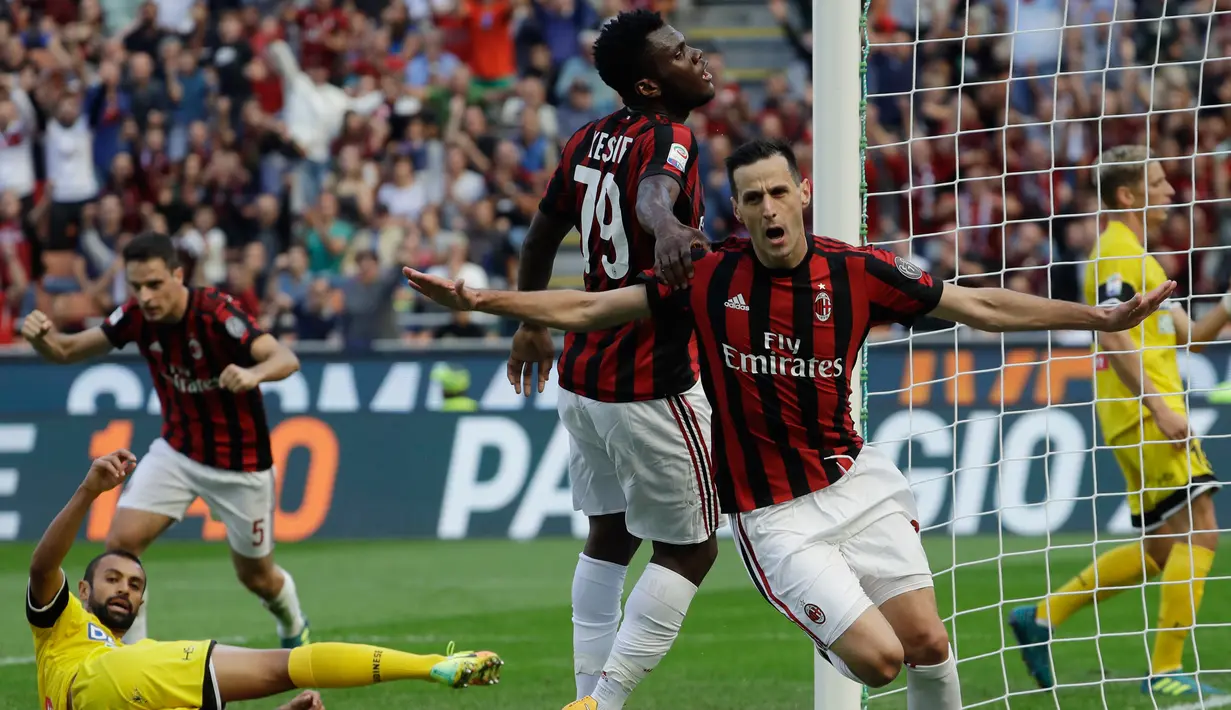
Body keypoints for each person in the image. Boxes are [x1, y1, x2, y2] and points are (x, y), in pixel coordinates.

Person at [403, 138, 1174, 709]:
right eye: (750, 198)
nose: (767, 208)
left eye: (777, 191)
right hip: (775, 517)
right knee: (879, 664)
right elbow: (588, 307)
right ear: (736, 210)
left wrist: (1094, 317)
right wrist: (482, 303)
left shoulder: (860, 272)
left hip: (856, 483)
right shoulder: (709, 278)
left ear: (802, 192)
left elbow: (980, 305)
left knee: (932, 646)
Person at [505, 9, 716, 709]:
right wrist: (666, 227)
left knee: (610, 536)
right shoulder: (671, 136)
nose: (700, 58)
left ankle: (581, 696)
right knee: (691, 549)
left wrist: (530, 324)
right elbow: (659, 190)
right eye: (682, 53)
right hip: (648, 379)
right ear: (652, 86)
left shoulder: (587, 140)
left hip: (582, 374)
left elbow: (538, 241)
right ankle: (605, 702)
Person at [27, 449, 503, 710]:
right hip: (99, 681)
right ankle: (427, 666)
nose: (125, 591)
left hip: (111, 691)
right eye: (113, 578)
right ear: (83, 591)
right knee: (285, 665)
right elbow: (44, 565)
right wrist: (90, 491)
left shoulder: (129, 671)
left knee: (280, 673)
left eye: (135, 586)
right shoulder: (63, 628)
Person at [1010, 145, 1226, 698]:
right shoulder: (1116, 252)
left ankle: (1043, 615)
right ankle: (1168, 673)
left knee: (1162, 549)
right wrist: (1158, 405)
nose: (1171, 192)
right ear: (1128, 195)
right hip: (1145, 413)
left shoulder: (1142, 260)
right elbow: (1111, 330)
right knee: (1202, 528)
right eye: (1157, 182)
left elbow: (1191, 337)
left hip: (1136, 414)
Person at [21, 232, 308, 647]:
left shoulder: (216, 312)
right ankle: (134, 663)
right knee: (120, 547)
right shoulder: (135, 316)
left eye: (154, 284)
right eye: (137, 286)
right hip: (177, 451)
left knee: (257, 577)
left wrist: (252, 374)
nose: (146, 295)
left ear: (178, 275)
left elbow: (285, 357)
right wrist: (39, 340)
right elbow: (66, 350)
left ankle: (293, 625)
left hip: (241, 465)